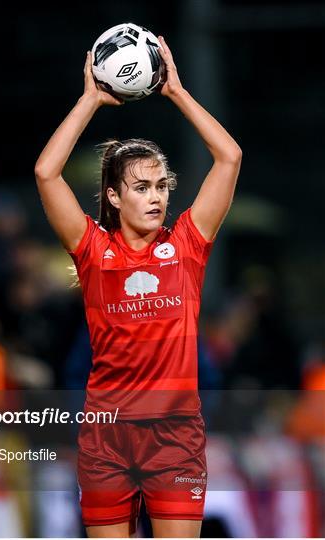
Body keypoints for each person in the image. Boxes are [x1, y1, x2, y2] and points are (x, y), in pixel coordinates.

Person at [35, 35, 242, 539]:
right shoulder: (92, 251)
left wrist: (176, 92)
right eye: (142, 187)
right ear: (113, 195)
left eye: (162, 187)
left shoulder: (189, 244)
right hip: (107, 440)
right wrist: (89, 100)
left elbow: (229, 157)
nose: (156, 198)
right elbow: (46, 172)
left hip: (175, 439)